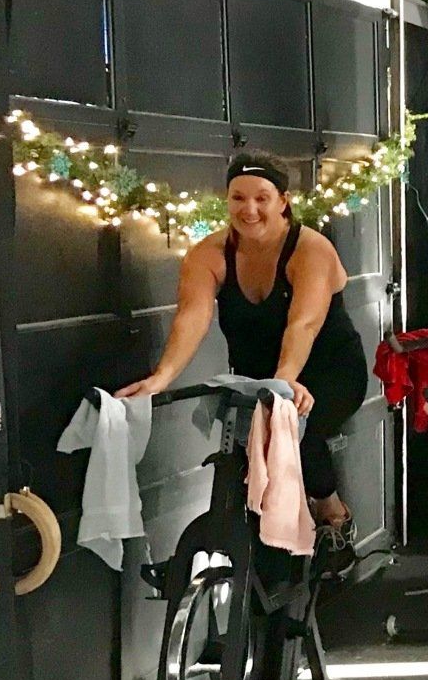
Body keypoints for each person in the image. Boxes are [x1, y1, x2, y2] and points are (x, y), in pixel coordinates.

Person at [119, 152, 366, 567]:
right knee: (241, 450)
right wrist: (161, 377)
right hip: (256, 376)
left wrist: (285, 380)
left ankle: (332, 513)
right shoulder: (210, 253)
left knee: (296, 430)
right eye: (238, 198)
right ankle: (250, 548)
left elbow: (303, 324)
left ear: (283, 201)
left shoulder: (310, 249)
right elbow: (192, 317)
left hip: (328, 369)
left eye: (261, 198)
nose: (249, 210)